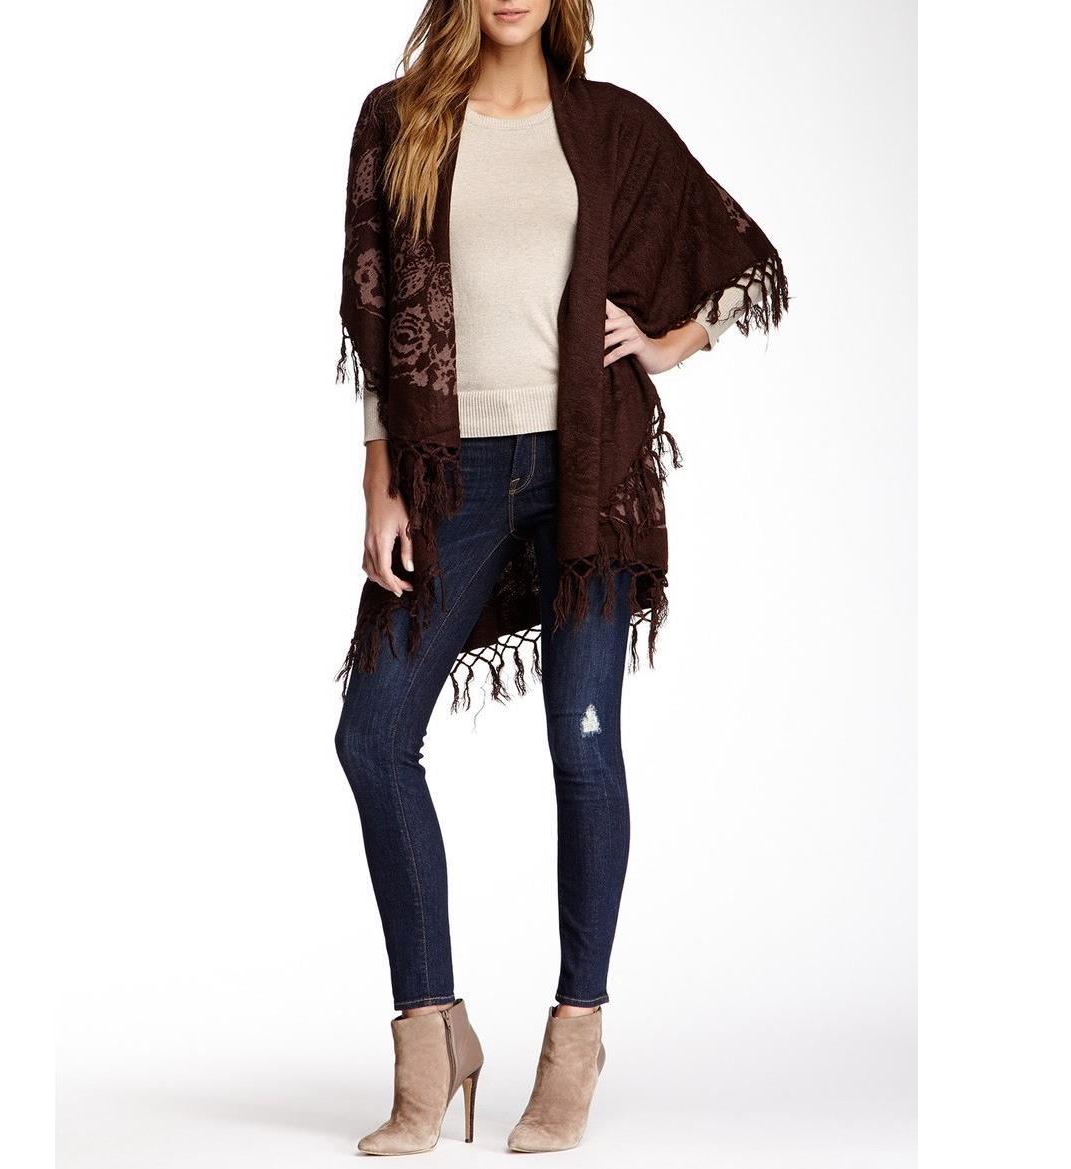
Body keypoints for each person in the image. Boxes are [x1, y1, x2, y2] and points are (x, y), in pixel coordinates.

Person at [332, 0, 788, 1154]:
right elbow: (376, 319)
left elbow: (742, 260)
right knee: (372, 735)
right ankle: (431, 1033)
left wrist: (669, 341)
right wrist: (378, 481)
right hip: (451, 474)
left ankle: (575, 1031)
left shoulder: (611, 126)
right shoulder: (400, 122)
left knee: (582, 748)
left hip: (588, 469)